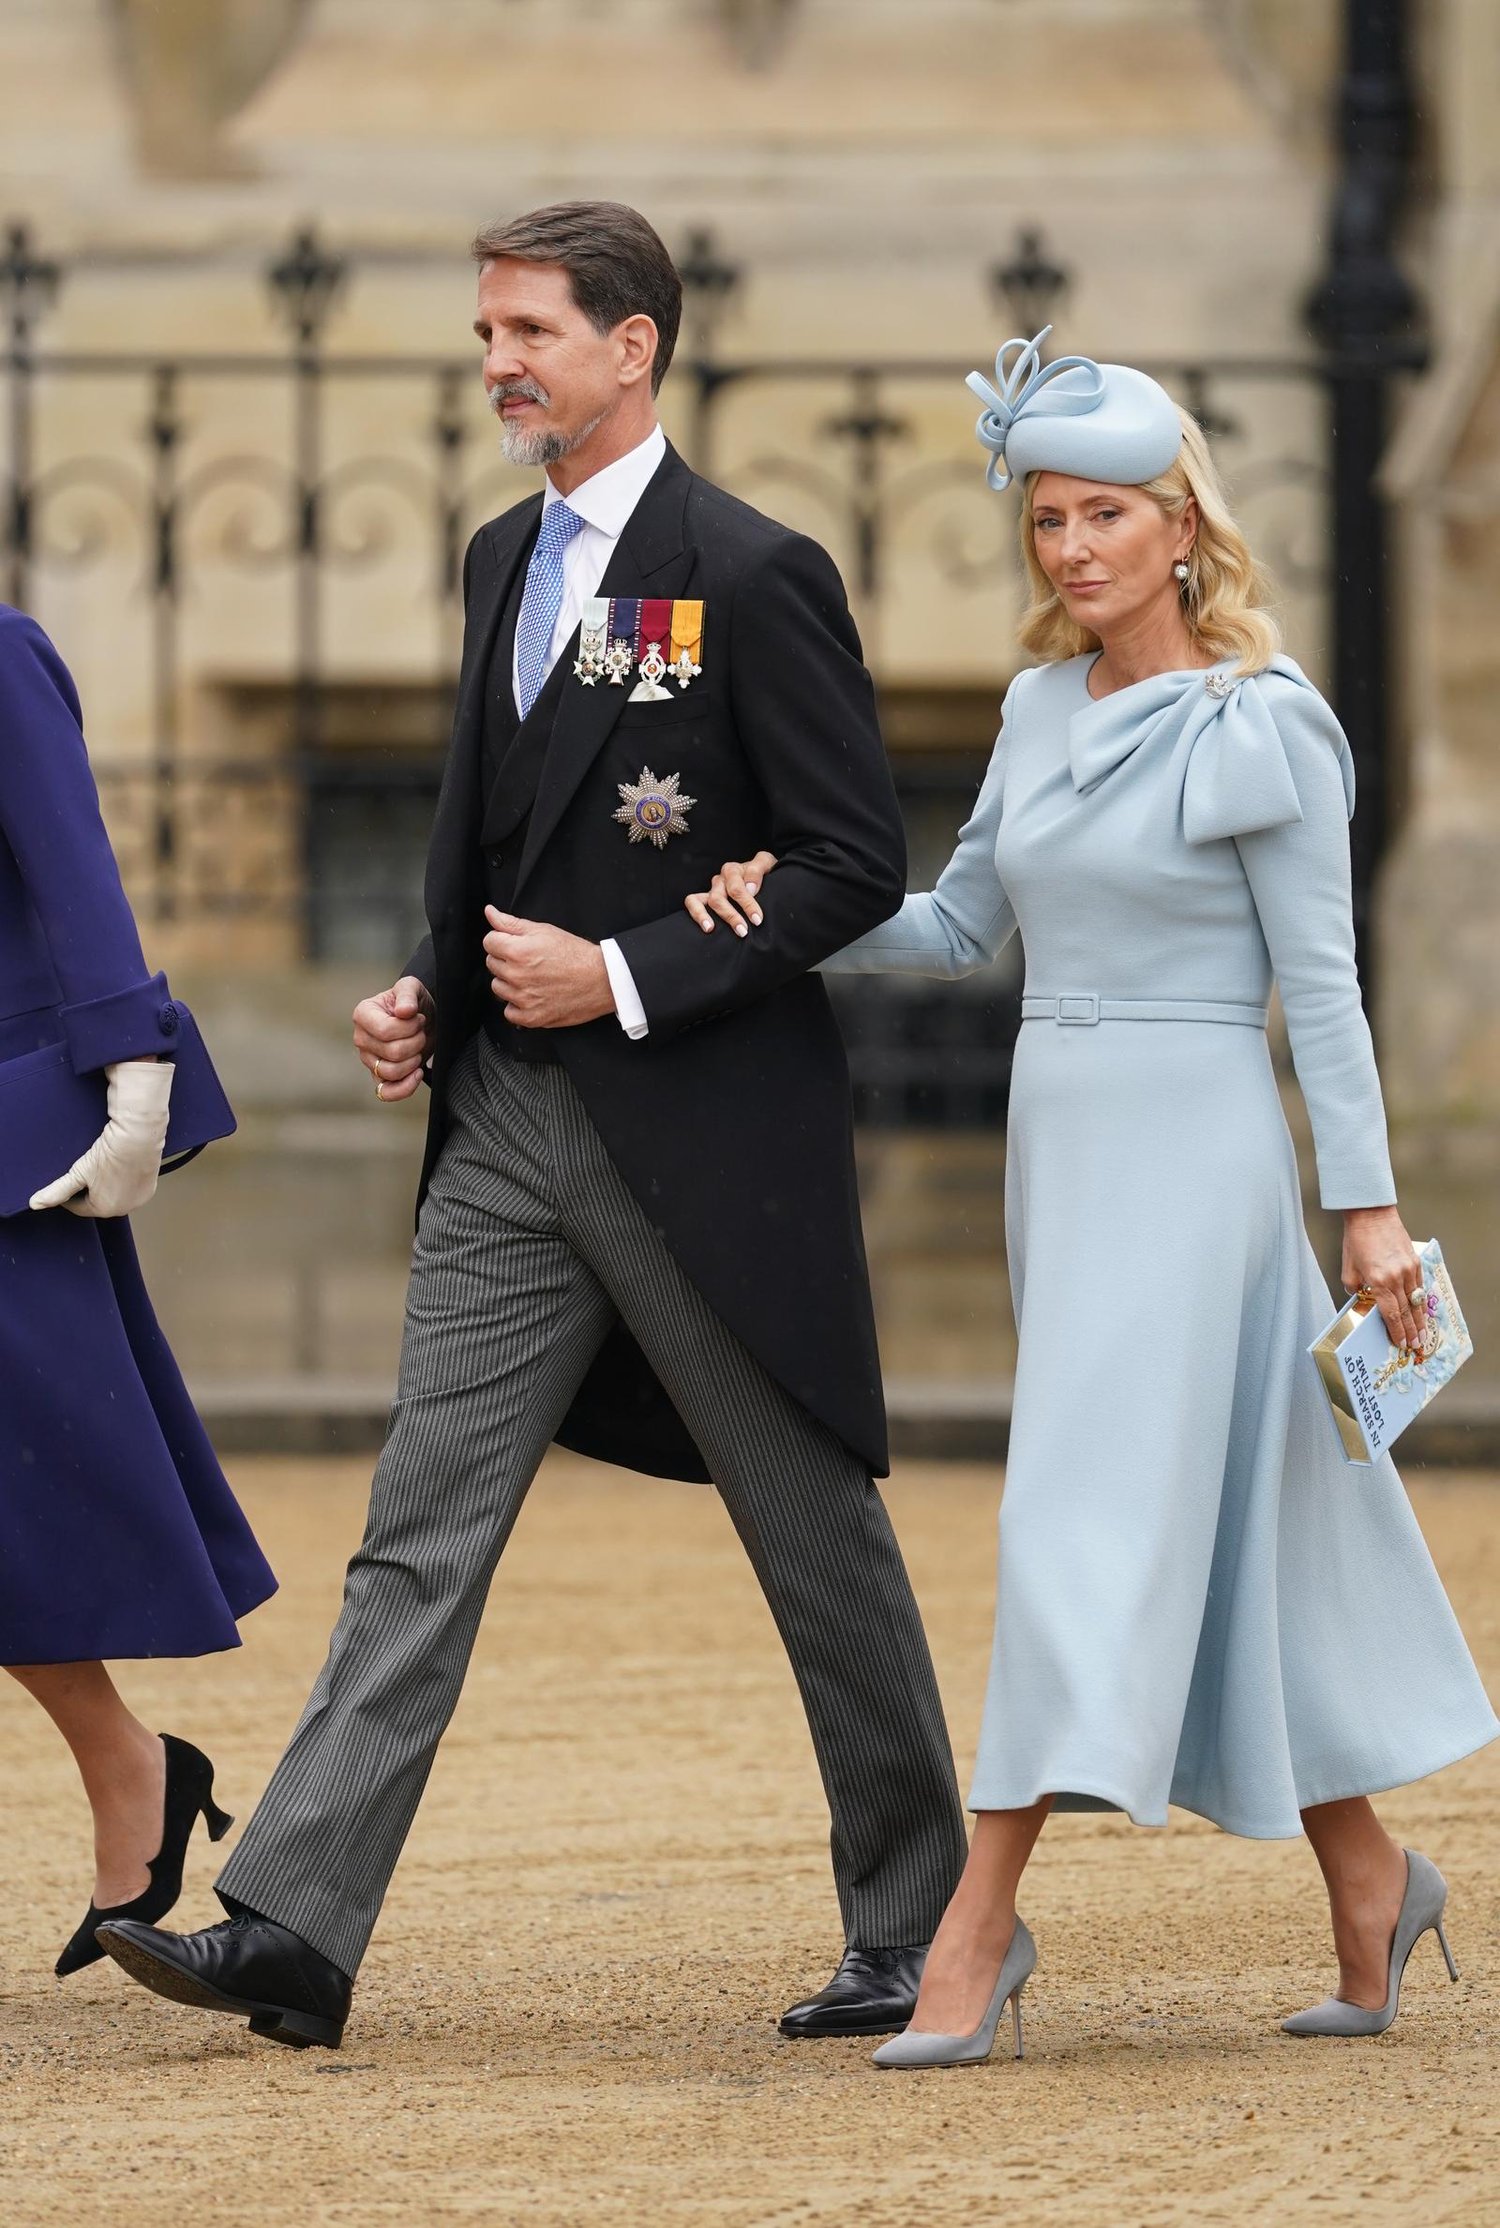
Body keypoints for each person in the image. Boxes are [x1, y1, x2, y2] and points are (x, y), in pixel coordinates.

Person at [97, 200, 967, 2051]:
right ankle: (297, 1928)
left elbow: (852, 863)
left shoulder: (754, 565)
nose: (496, 362)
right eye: (487, 333)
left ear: (633, 345)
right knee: (420, 1523)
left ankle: (924, 1927)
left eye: (529, 332)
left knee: (812, 1532)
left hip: (697, 1141)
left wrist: (627, 974)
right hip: (503, 1126)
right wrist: (434, 991)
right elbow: (490, 842)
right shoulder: (502, 555)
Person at [685, 331, 1499, 2067]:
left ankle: (975, 1933)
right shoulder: (1039, 708)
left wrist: (1362, 1206)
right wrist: (791, 910)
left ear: (1184, 525)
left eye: (1109, 514)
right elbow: (961, 928)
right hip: (1066, 1149)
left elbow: (1328, 987)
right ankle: (1373, 1886)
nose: (1073, 547)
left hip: (1202, 1155)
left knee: (1078, 1521)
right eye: (1049, 517)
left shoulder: (1268, 723)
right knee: (1238, 1524)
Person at [0, 603, 275, 1978]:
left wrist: (135, 1076)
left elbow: (73, 869)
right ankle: (131, 1767)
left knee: (33, 1503)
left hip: (6, 1149)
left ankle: (129, 1770)